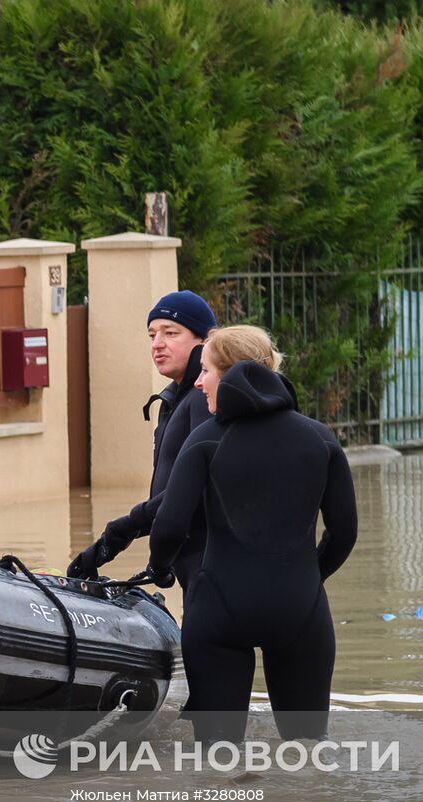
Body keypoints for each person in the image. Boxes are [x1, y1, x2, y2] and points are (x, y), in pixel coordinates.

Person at [147, 325, 357, 743]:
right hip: (300, 610)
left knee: (217, 761)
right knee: (307, 754)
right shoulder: (319, 438)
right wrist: (303, 576)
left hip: (218, 611)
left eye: (205, 370)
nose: (200, 381)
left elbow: (169, 526)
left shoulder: (204, 439)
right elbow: (344, 533)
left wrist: (160, 567)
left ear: (232, 374)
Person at [67, 290, 215, 587]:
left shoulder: (204, 398)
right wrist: (112, 542)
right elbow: (170, 496)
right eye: (152, 335)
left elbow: (194, 489)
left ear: (204, 340)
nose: (158, 344)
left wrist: (122, 530)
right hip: (189, 561)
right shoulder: (176, 399)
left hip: (208, 562)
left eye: (170, 333)